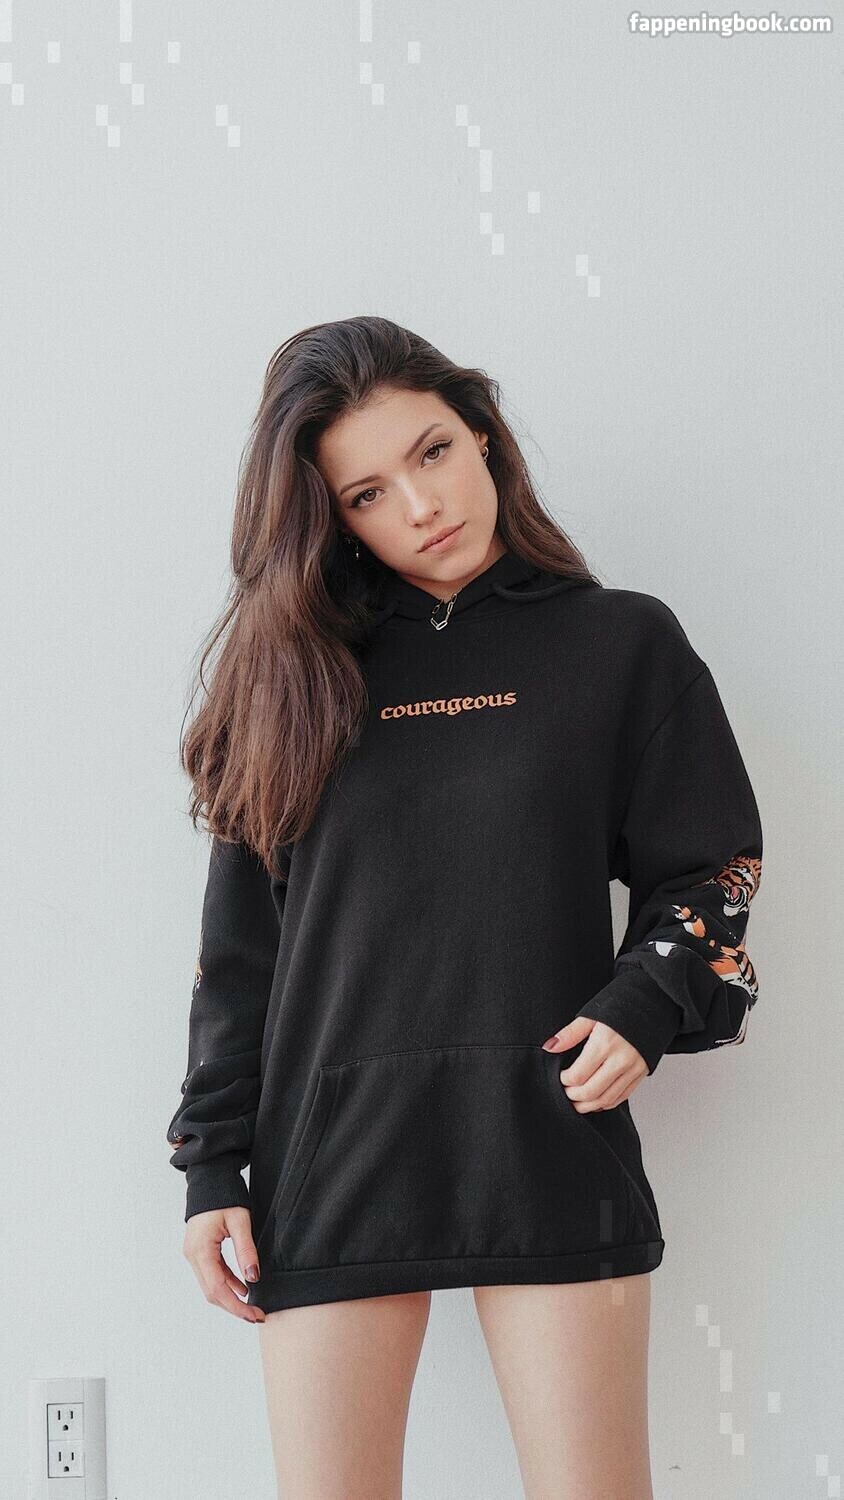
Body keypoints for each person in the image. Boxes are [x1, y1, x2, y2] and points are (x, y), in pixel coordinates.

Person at [165, 315, 763, 1500]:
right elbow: (241, 956)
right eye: (368, 493)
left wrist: (646, 1000)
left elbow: (713, 865)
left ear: (480, 433)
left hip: (544, 1132)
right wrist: (210, 1168)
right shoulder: (290, 679)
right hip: (329, 1157)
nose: (421, 505)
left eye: (432, 452)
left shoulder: (619, 644)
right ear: (333, 518)